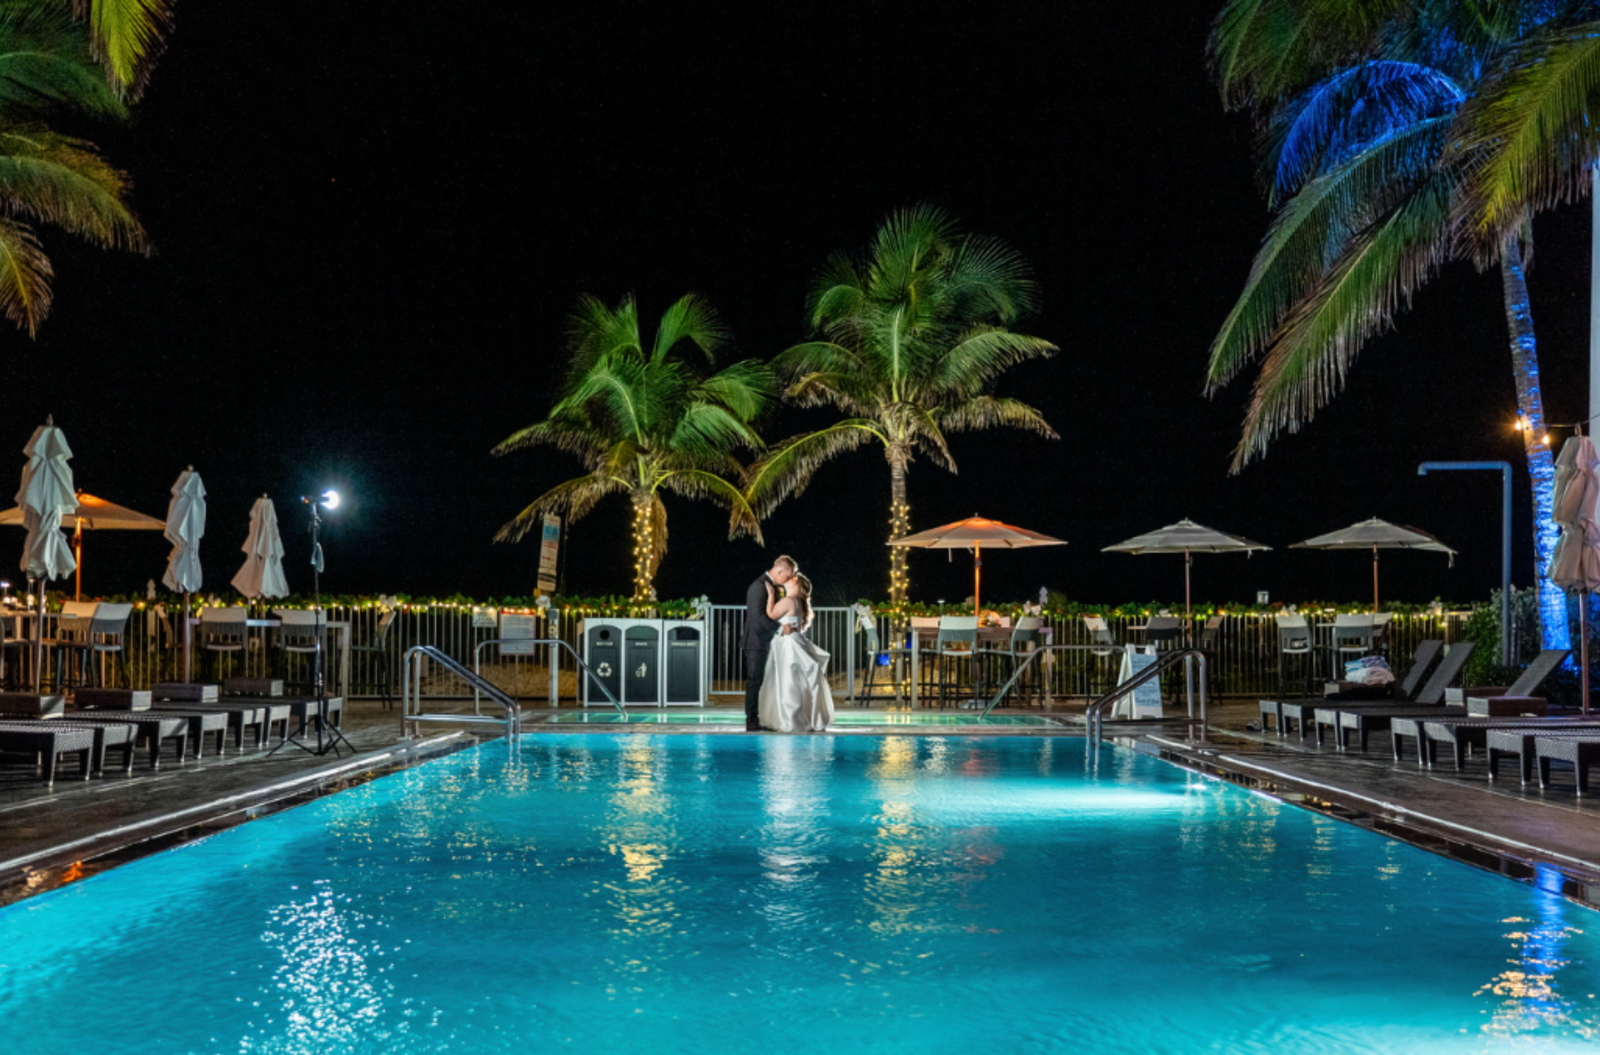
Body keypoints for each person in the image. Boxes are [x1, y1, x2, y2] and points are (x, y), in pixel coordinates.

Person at [757, 572, 835, 733]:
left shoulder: (789, 601)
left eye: (793, 577)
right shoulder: (798, 601)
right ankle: (802, 717)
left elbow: (771, 614)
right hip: (795, 640)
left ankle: (793, 720)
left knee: (790, 682)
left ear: (796, 584)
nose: (789, 577)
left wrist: (771, 595)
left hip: (789, 644)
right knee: (799, 682)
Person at [743, 555, 796, 731]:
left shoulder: (768, 585)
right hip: (756, 641)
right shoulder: (759, 586)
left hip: (763, 641)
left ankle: (756, 720)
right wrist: (781, 629)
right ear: (780, 571)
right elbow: (758, 619)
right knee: (754, 681)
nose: (787, 580)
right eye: (787, 576)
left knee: (759, 681)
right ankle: (751, 722)